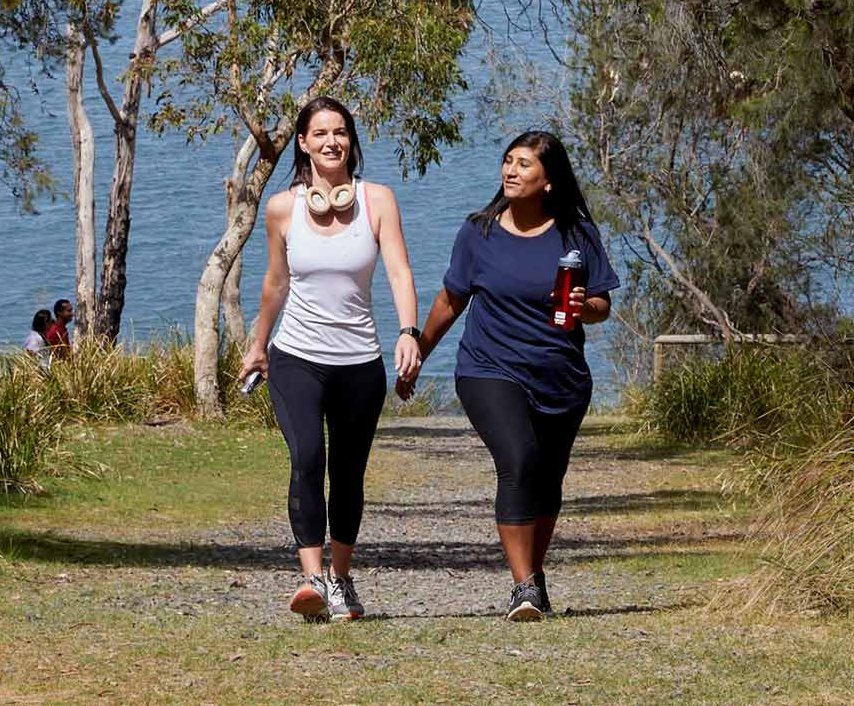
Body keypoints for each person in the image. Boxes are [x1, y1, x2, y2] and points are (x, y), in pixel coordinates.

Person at [395, 130, 618, 621]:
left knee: (548, 480)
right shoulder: (479, 232)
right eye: (508, 162)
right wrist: (419, 352)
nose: (511, 171)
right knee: (518, 460)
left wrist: (585, 308)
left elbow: (602, 303)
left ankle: (532, 581)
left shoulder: (577, 235)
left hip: (560, 377)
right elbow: (450, 300)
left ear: (549, 182)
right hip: (487, 369)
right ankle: (522, 587)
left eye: (524, 165)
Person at [236, 96, 418, 622]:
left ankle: (341, 579)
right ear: (303, 142)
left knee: (348, 472)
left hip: (360, 362)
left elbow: (400, 273)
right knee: (307, 459)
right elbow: (275, 283)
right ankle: (311, 578)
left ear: (351, 140)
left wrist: (409, 332)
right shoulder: (281, 209)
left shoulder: (378, 200)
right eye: (320, 133)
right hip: (296, 357)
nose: (331, 141)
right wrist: (257, 345)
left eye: (340, 132)